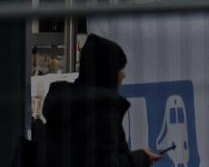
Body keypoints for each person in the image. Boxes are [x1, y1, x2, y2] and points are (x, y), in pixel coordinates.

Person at [37, 34, 162, 167]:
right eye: (119, 69)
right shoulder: (103, 114)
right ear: (108, 73)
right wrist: (142, 158)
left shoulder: (62, 105)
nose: (123, 75)